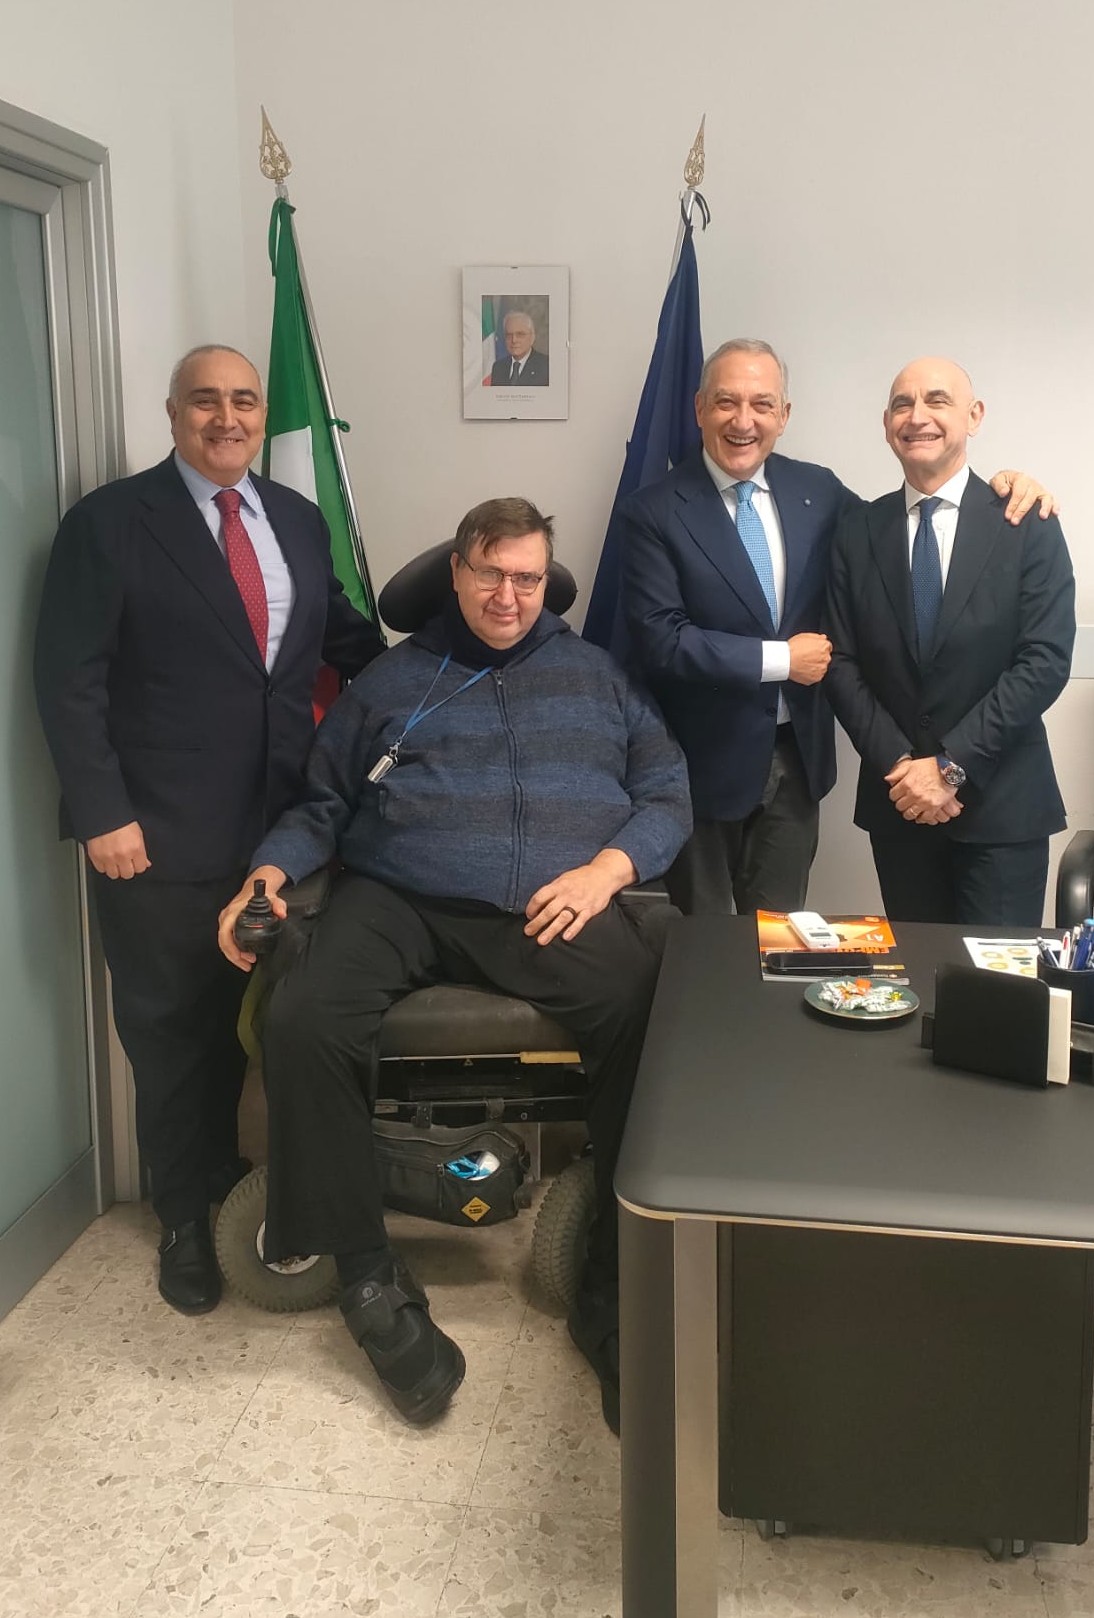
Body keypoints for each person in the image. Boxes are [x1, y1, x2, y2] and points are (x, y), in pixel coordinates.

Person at [217, 496, 691, 1431]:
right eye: (490, 574)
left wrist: (607, 870)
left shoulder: (599, 675)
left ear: (546, 583)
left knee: (654, 1014)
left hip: (553, 902)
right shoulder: (392, 681)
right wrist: (265, 876)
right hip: (400, 895)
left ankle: (612, 1289)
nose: (508, 595)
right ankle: (368, 1277)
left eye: (527, 578)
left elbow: (667, 791)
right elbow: (321, 804)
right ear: (457, 574)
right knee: (303, 1013)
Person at [33, 344, 384, 1316]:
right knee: (171, 1031)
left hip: (280, 829)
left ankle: (227, 1174)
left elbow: (341, 639)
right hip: (155, 832)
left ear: (262, 413)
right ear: (173, 412)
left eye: (243, 401)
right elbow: (69, 679)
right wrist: (102, 813)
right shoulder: (110, 522)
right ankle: (185, 1217)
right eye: (205, 401)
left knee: (245, 1022)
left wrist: (455, 665)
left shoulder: (297, 520)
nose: (226, 418)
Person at [619, 338, 1056, 916]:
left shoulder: (819, 493)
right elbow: (662, 640)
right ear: (700, 409)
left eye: (762, 404)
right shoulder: (652, 510)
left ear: (784, 415)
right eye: (726, 402)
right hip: (699, 766)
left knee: (780, 939)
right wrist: (786, 661)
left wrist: (1014, 484)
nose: (744, 421)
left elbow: (916, 522)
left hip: (797, 765)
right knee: (703, 943)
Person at [824, 356, 1074, 926]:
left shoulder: (1026, 522)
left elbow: (1044, 660)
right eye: (902, 404)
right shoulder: (857, 531)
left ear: (974, 415)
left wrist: (950, 767)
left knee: (995, 978)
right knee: (917, 974)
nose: (918, 416)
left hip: (1004, 808)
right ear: (886, 423)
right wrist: (903, 767)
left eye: (937, 400)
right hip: (901, 806)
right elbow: (840, 662)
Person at [489, 311, 550, 386]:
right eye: (509, 335)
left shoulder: (547, 366)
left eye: (520, 334)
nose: (514, 340)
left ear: (532, 337)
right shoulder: (498, 367)